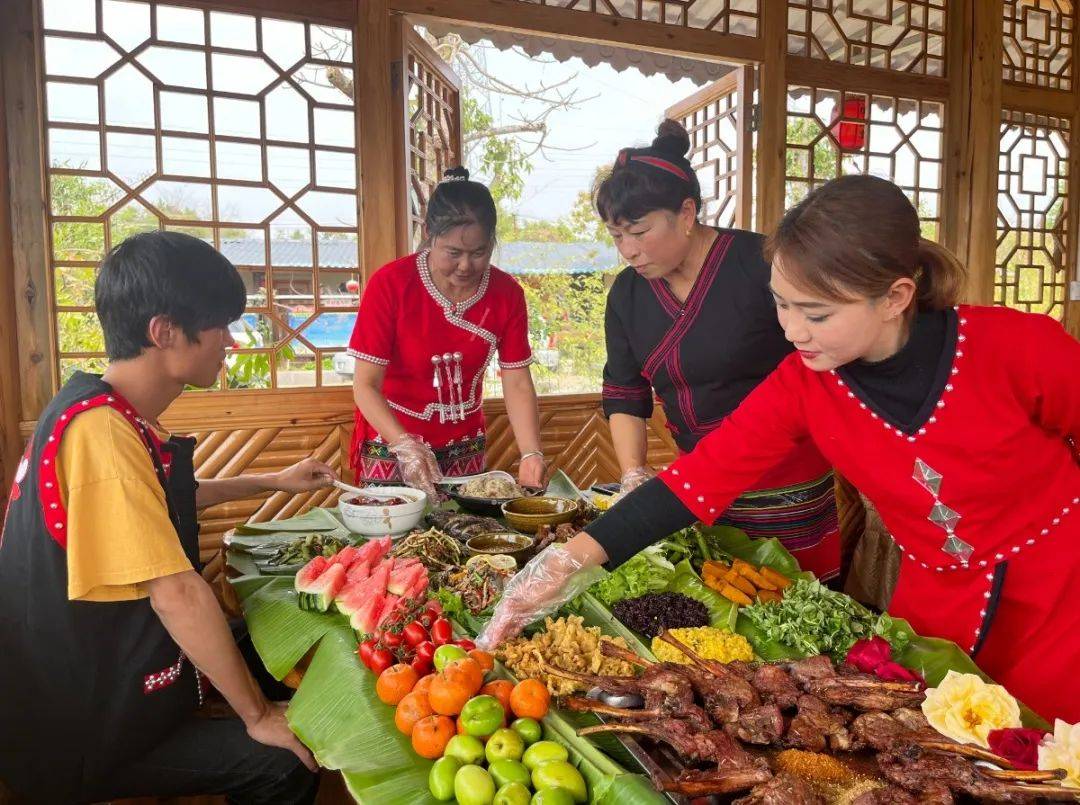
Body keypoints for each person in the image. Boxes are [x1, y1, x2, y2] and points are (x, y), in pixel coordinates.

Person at [477, 175, 1080, 723]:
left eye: (815, 312)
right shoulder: (805, 382)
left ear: (895, 296)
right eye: (781, 304)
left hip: (1062, 597)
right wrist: (562, 564)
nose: (791, 330)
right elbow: (696, 481)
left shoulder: (1019, 347)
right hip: (934, 608)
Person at [0, 232, 336, 803]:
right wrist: (257, 717)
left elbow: (158, 503)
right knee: (280, 764)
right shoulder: (101, 435)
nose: (229, 342)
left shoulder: (102, 410)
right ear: (165, 332)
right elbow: (177, 593)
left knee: (270, 641)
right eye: (220, 326)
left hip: (106, 674)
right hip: (82, 728)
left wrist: (273, 480)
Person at [599, 120, 839, 579]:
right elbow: (625, 391)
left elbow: (818, 356)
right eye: (616, 236)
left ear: (686, 214)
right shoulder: (627, 296)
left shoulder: (761, 263)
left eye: (639, 231)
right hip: (699, 484)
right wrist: (632, 473)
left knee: (799, 612)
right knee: (721, 612)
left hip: (786, 481)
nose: (628, 250)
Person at [348, 167, 544, 498]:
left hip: (463, 445)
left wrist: (531, 452)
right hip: (392, 442)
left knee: (466, 534)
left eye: (479, 252)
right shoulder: (391, 284)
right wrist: (404, 445)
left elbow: (518, 381)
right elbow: (365, 386)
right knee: (394, 539)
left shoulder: (506, 293)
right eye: (453, 253)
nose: (466, 265)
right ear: (429, 234)